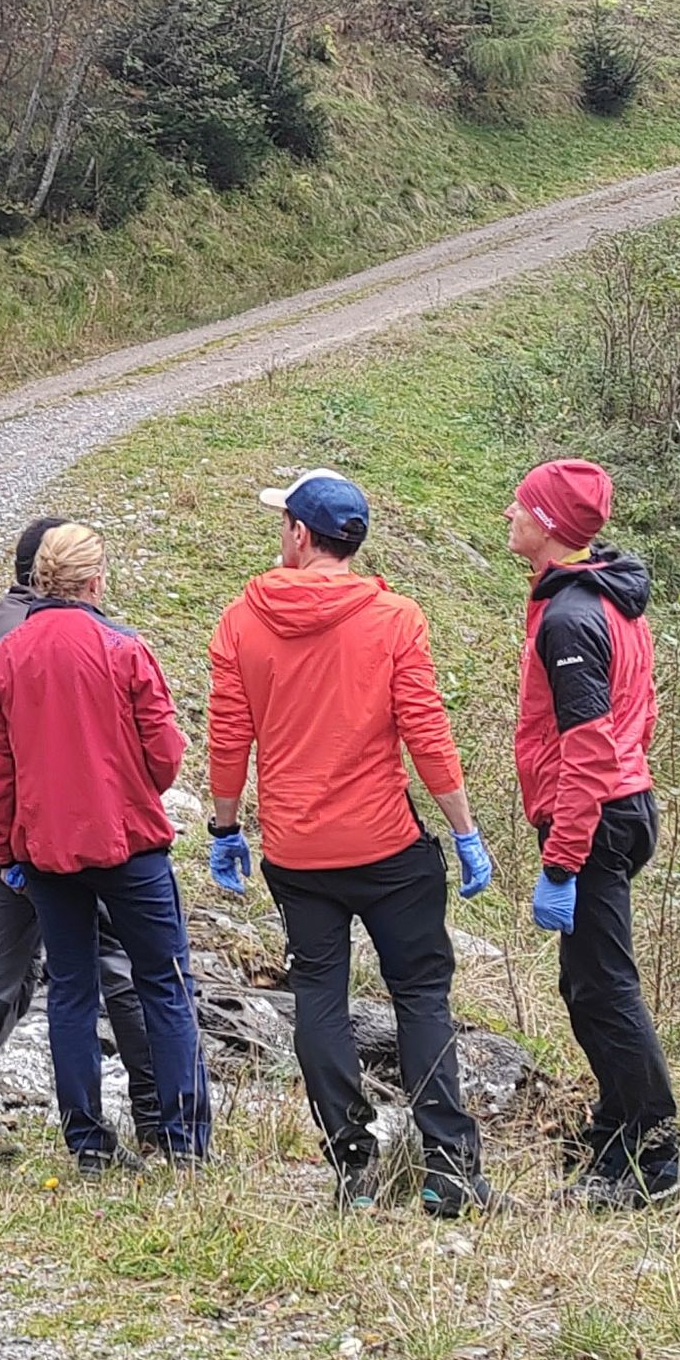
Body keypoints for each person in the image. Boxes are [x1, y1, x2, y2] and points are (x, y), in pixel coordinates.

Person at [201, 470, 497, 1215]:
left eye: (284, 523)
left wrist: (226, 827)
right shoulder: (395, 619)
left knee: (319, 999)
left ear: (300, 534)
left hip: (297, 853)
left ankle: (354, 1167)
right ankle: (449, 1172)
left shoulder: (241, 621)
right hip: (388, 845)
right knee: (421, 997)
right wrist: (464, 830)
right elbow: (426, 732)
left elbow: (229, 737)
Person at [0, 521, 212, 1168]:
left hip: (45, 851)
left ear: (39, 579)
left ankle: (87, 1144)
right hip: (128, 842)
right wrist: (130, 783)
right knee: (165, 984)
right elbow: (165, 756)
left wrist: (8, 852)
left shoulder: (1, 659)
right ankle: (184, 1142)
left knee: (71, 992)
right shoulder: (125, 649)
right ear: (96, 581)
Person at [0, 517, 157, 1162]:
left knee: (6, 971)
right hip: (58, 831)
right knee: (114, 963)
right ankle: (155, 1115)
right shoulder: (56, 637)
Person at [506, 457, 679, 1206]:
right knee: (585, 984)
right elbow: (642, 710)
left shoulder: (571, 618)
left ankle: (648, 1154)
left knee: (604, 989)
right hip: (622, 803)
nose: (509, 515)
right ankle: (615, 1125)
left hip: (597, 816)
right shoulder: (609, 596)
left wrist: (562, 861)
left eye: (521, 506)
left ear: (547, 525)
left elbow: (588, 746)